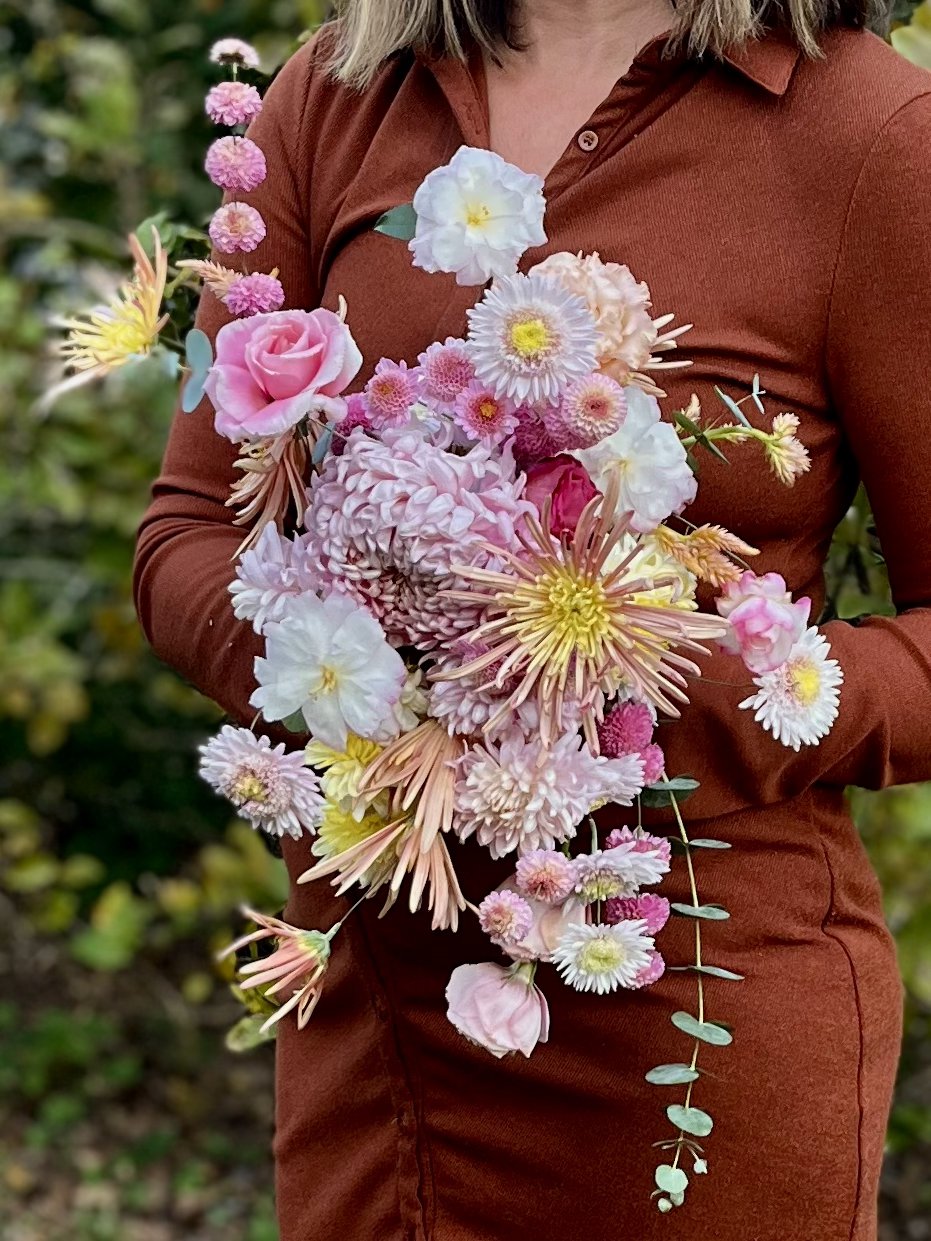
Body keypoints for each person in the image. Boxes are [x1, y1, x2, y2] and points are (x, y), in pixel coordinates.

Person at [133, 1, 931, 1237]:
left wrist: (647, 697)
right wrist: (370, 674)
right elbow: (186, 532)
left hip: (689, 1026)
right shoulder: (338, 90)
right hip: (380, 1015)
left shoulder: (872, 133)